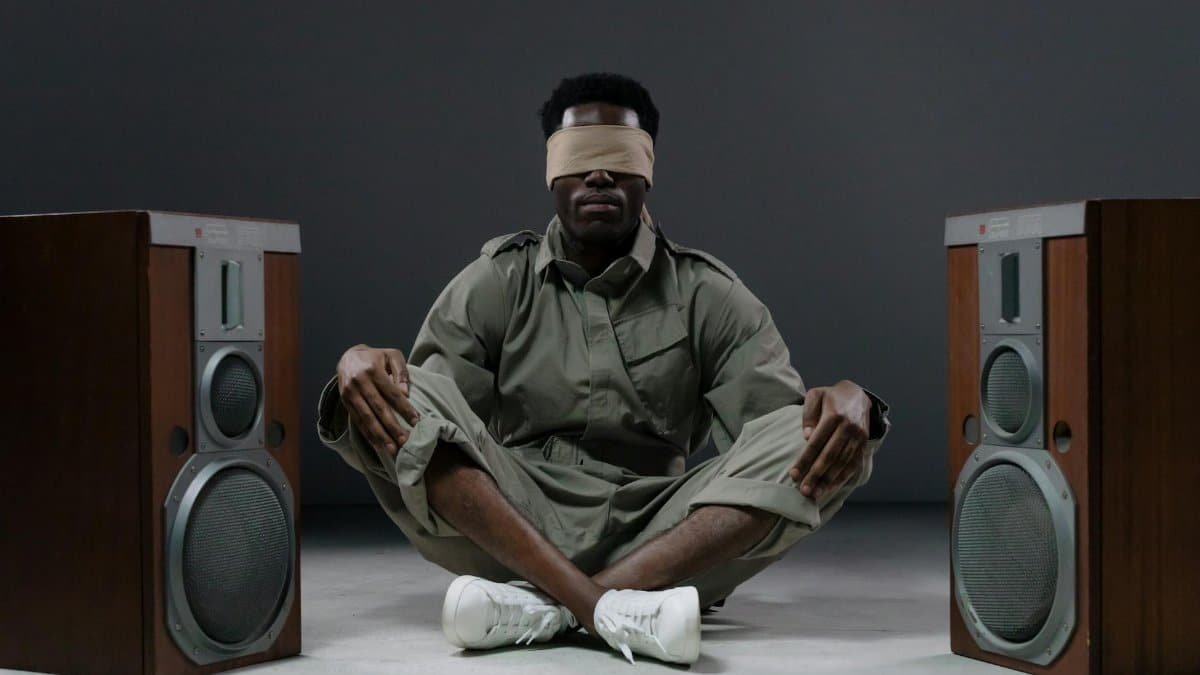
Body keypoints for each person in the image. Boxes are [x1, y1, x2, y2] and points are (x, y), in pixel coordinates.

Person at [316, 72, 891, 665]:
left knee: (822, 433)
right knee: (392, 393)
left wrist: (851, 404)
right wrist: (361, 366)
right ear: (552, 172)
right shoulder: (496, 281)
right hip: (514, 515)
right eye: (580, 157)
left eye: (618, 157)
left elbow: (779, 433)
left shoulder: (709, 295)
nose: (599, 174)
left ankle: (548, 608)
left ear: (647, 172)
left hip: (664, 529)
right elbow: (431, 415)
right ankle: (610, 609)